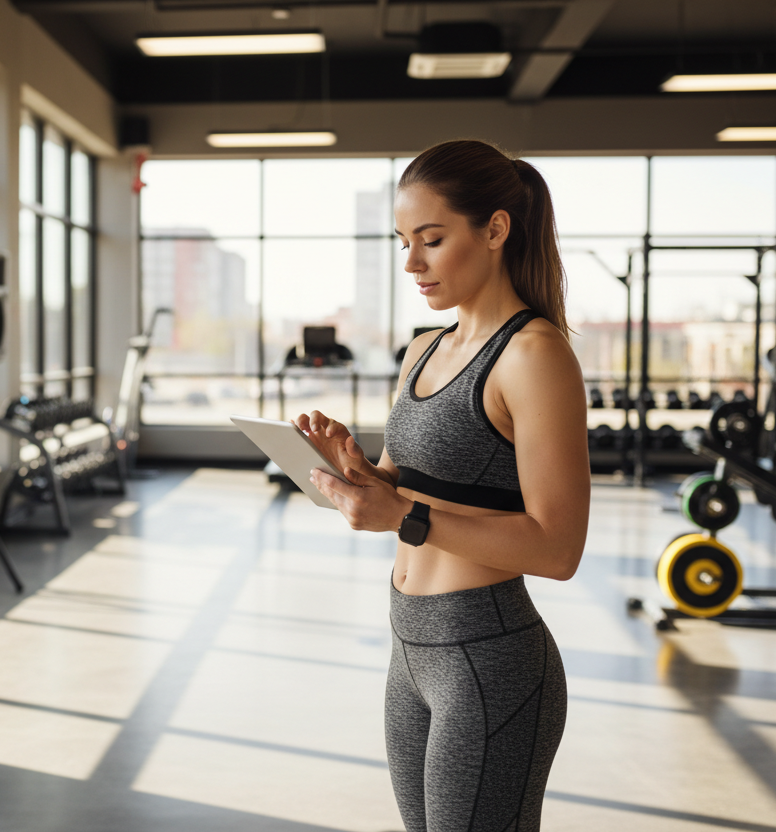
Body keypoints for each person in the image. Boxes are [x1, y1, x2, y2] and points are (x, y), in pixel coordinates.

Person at [296, 139, 590, 832]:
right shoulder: (422, 350)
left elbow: (558, 549)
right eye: (403, 240)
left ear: (494, 230)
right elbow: (411, 487)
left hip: (489, 660)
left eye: (431, 239)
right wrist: (360, 472)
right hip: (409, 649)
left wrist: (403, 514)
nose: (411, 263)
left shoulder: (536, 356)